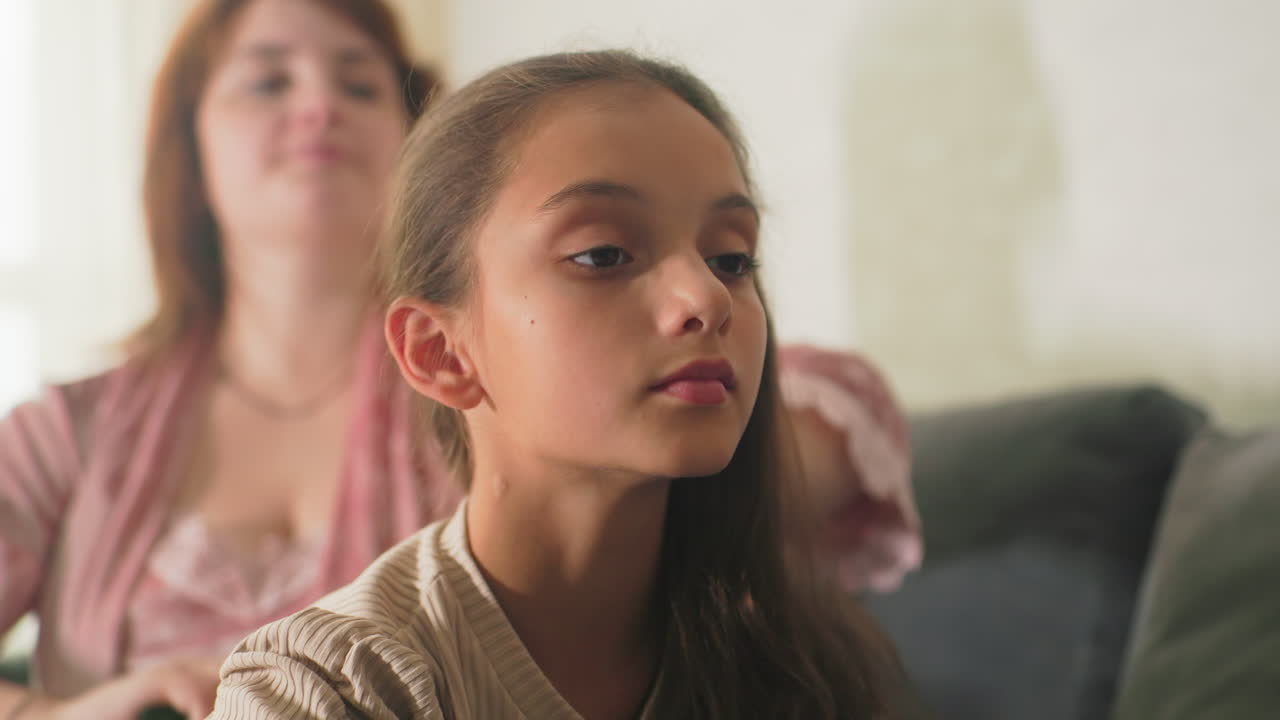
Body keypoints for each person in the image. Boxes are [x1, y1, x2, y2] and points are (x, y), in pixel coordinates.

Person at [0, 1, 918, 718]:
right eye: (269, 82)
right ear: (187, 149)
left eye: (361, 85)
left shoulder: (524, 383)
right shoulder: (67, 438)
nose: (318, 106)